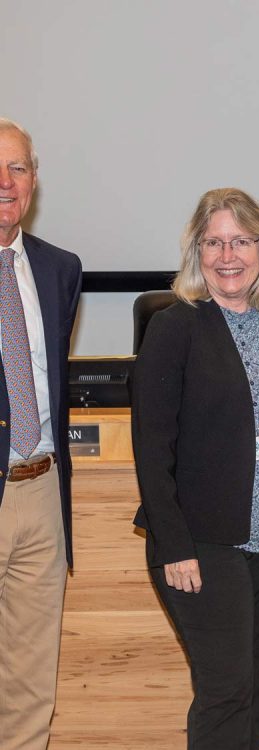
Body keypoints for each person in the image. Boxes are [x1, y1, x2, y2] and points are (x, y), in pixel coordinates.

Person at [131, 187, 259, 750]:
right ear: (196, 252)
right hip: (201, 544)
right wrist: (173, 544)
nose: (229, 255)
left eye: (241, 241)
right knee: (225, 690)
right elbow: (152, 447)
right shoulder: (174, 329)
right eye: (214, 242)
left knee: (257, 687)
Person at [0, 118, 82, 749]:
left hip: (41, 491)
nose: (5, 183)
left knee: (32, 682)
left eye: (18, 168)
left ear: (34, 181)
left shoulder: (60, 268)